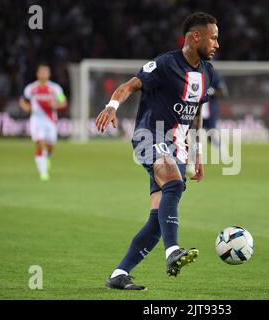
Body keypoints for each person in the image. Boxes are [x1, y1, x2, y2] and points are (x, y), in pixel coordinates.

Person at [95, 12, 219, 290]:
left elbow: (196, 113)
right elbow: (129, 86)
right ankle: (173, 250)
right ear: (195, 37)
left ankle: (118, 274)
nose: (217, 44)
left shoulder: (207, 72)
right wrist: (111, 107)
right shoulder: (164, 64)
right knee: (173, 183)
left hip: (178, 147)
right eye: (213, 38)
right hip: (148, 135)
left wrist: (197, 153)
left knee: (156, 219)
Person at [19, 64, 67, 181]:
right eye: (41, 72)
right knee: (40, 144)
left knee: (50, 146)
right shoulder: (30, 88)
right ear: (37, 74)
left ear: (49, 74)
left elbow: (63, 102)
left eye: (46, 72)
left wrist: (55, 105)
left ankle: (47, 157)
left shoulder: (55, 88)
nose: (43, 74)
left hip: (50, 121)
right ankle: (43, 173)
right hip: (36, 120)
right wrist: (26, 107)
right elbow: (23, 100)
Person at [187, 69, 228, 175]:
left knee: (211, 136)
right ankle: (192, 163)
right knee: (193, 138)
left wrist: (212, 91)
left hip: (209, 113)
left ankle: (221, 148)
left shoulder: (214, 75)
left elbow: (223, 92)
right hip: (194, 112)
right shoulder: (190, 74)